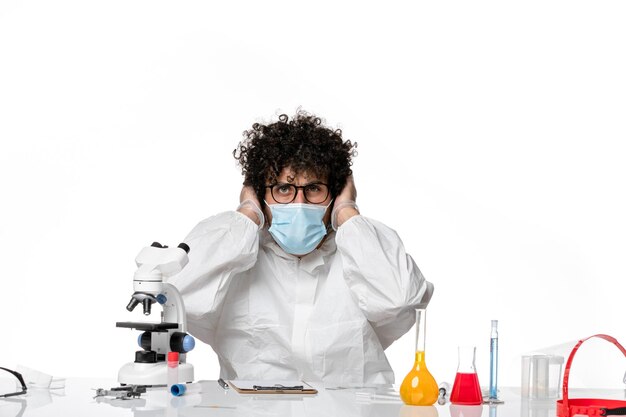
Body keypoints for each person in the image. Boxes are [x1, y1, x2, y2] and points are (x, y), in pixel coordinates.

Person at [170, 110, 433, 384]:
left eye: (315, 188)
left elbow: (402, 300)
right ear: (261, 195)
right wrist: (247, 214)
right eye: (284, 189)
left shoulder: (362, 253)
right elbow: (177, 298)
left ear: (335, 194)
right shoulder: (234, 255)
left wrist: (347, 213)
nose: (299, 203)